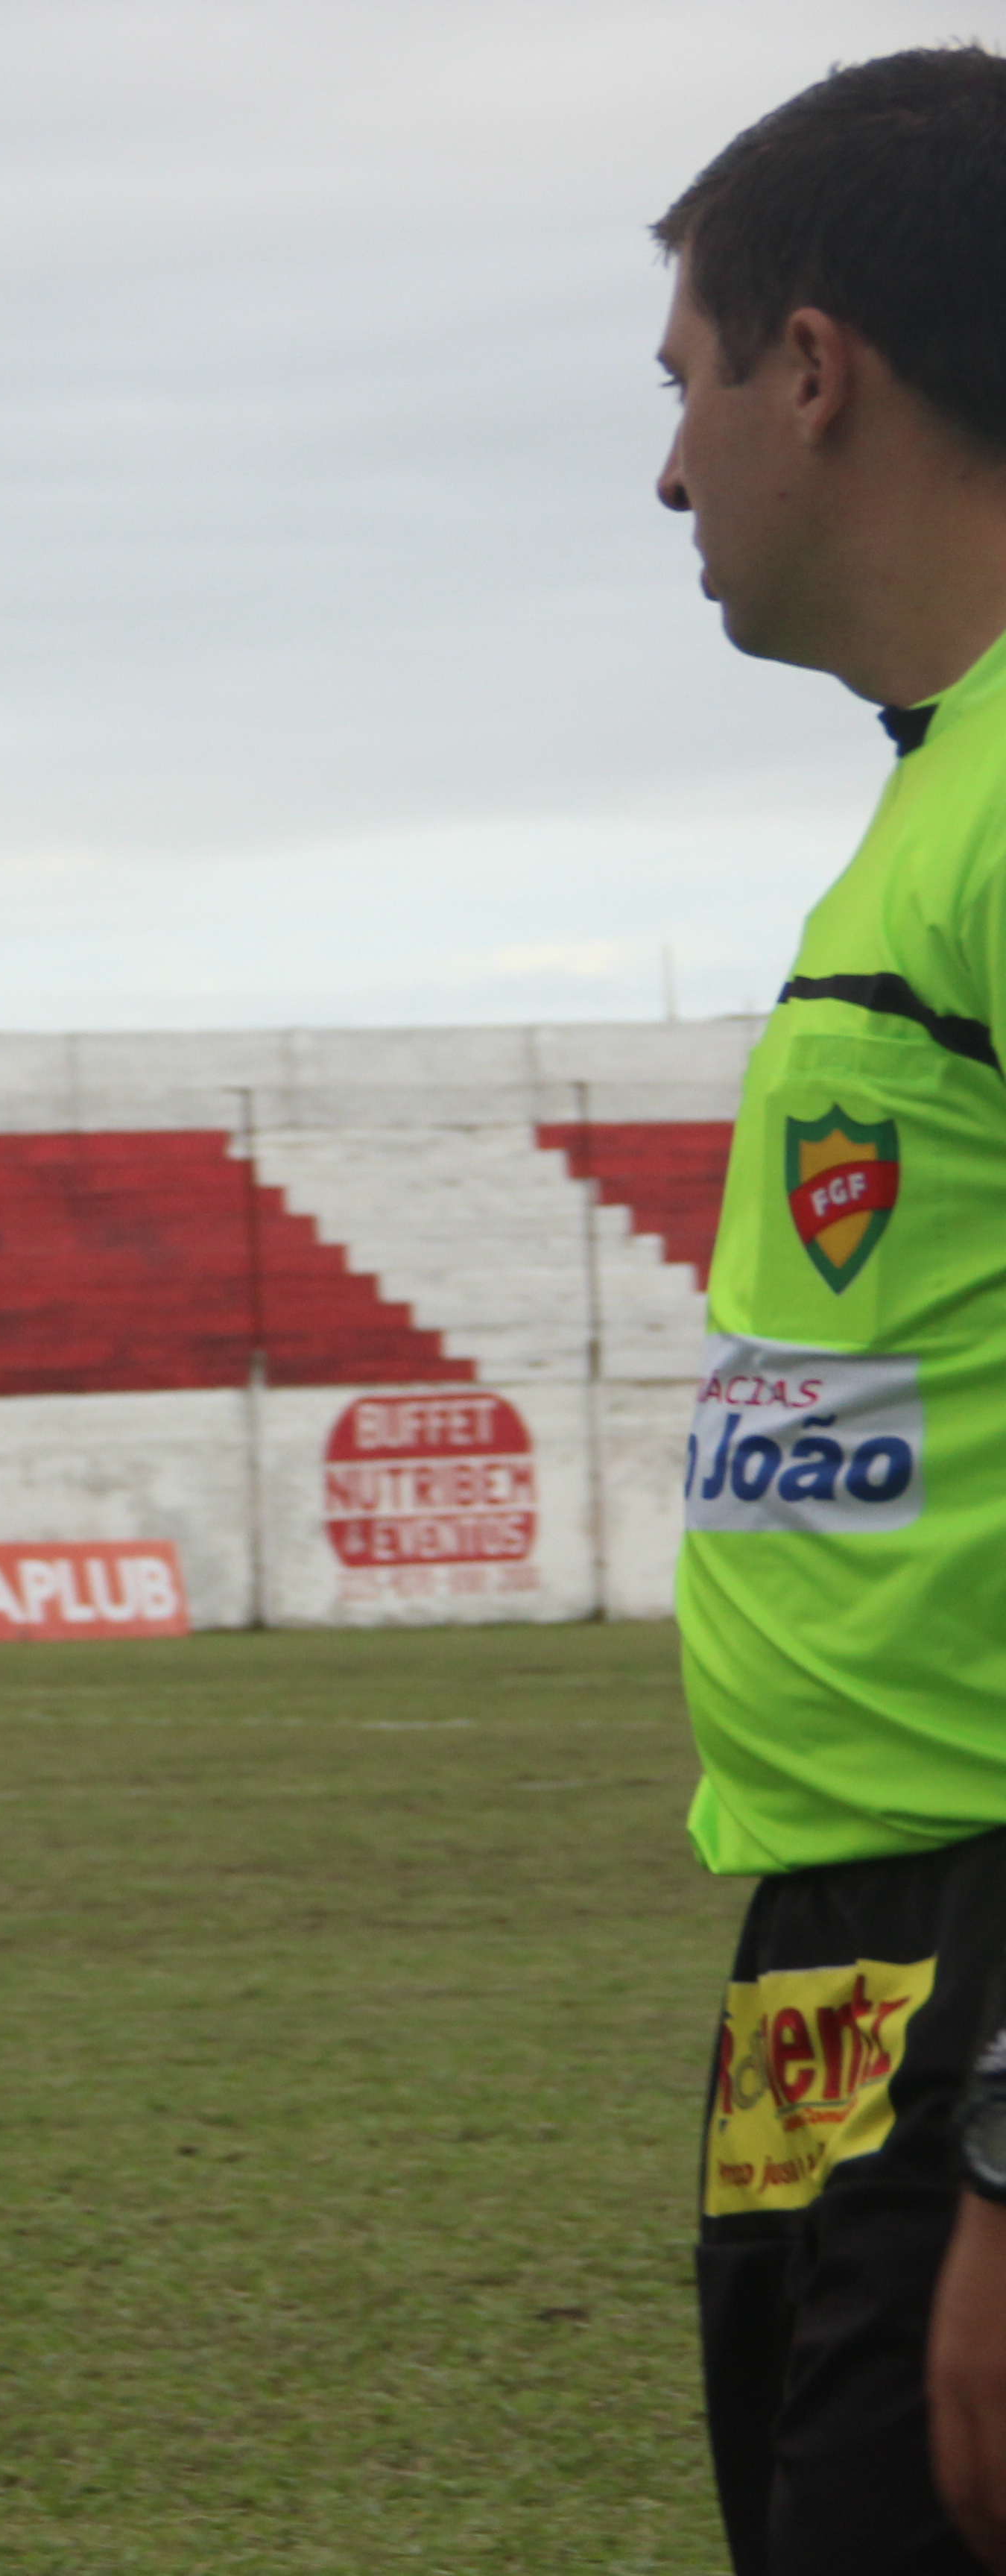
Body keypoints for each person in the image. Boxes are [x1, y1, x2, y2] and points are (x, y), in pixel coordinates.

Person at [646, 48, 1006, 2576]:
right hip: (839, 1956)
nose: (668, 475)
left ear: (811, 363)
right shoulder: (930, 791)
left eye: (678, 389)